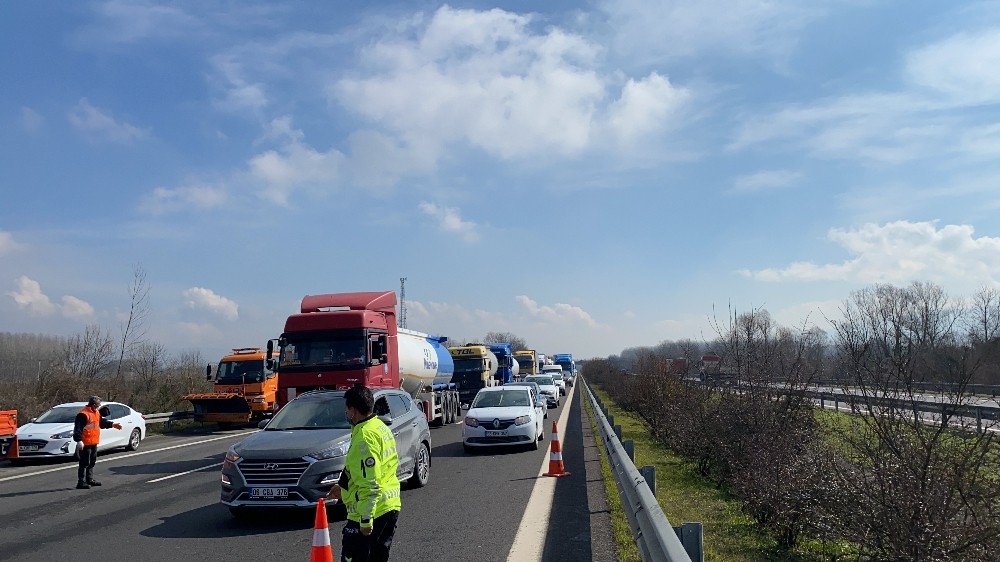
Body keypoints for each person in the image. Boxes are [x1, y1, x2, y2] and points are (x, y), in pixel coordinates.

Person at [326, 386, 401, 562]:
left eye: (347, 408)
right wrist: (342, 487)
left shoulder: (364, 437)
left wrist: (366, 521)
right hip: (388, 506)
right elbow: (362, 470)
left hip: (370, 512)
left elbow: (370, 483)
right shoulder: (377, 426)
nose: (345, 412)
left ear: (353, 410)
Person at [72, 396, 122, 489]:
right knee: (84, 463)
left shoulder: (96, 412)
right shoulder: (83, 414)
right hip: (85, 443)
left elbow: (101, 423)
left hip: (94, 442)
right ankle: (81, 482)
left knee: (92, 462)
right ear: (94, 405)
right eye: (98, 405)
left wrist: (112, 424)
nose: (99, 407)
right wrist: (79, 440)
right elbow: (77, 429)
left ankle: (89, 479)